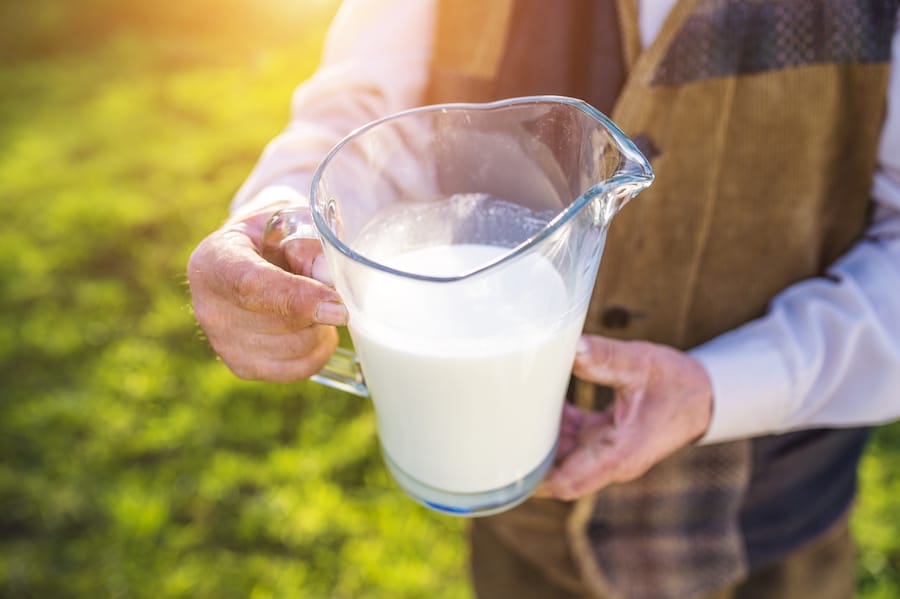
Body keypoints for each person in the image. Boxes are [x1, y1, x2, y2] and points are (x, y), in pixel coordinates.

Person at [187, 1, 900, 597]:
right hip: (519, 537)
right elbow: (360, 106)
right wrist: (278, 228)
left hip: (770, 524)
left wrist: (724, 386)